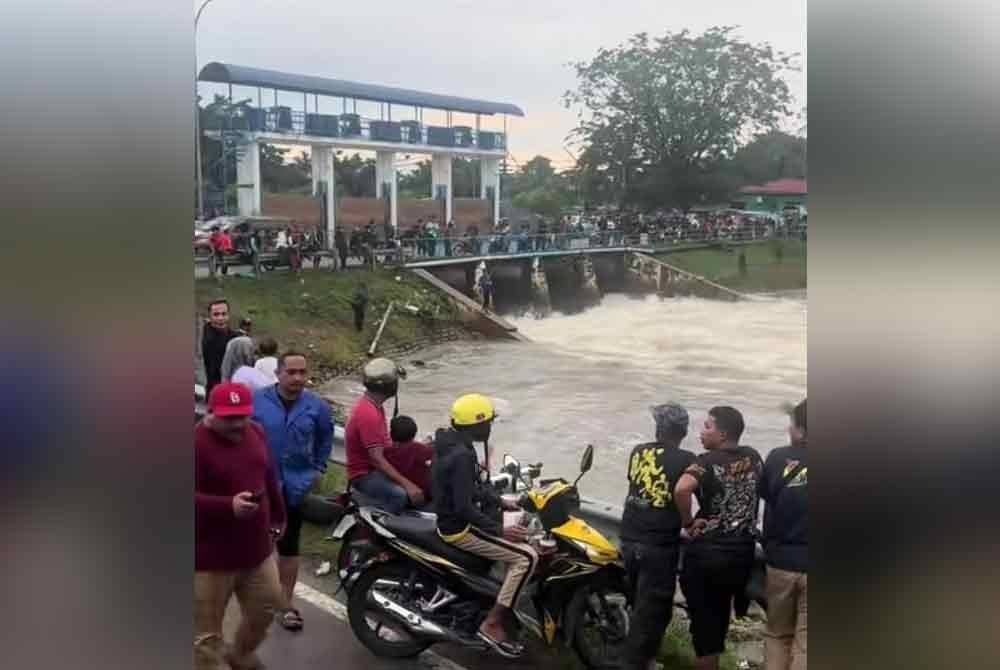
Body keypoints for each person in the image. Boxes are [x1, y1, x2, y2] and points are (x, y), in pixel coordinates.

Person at [433, 393, 536, 658]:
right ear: (476, 425)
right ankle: (492, 623)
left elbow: (470, 490)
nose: (490, 427)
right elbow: (464, 506)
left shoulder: (450, 443)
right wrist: (500, 530)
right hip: (459, 530)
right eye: (487, 422)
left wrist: (500, 501)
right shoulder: (462, 455)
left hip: (450, 519)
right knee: (527, 557)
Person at [195, 382, 285, 670]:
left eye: (242, 416)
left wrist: (279, 516)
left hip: (256, 550)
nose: (237, 424)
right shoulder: (195, 443)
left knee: (268, 607)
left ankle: (241, 654)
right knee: (206, 637)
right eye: (228, 418)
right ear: (211, 413)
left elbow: (267, 475)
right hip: (209, 559)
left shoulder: (255, 432)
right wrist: (227, 506)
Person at [674, 407, 764, 670]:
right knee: (720, 619)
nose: (701, 431)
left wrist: (688, 522)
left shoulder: (705, 462)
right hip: (742, 555)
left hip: (708, 555)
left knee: (705, 629)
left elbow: (681, 488)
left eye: (707, 426)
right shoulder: (754, 456)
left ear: (723, 434)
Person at [252, 352, 334, 632]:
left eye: (303, 372)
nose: (298, 378)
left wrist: (318, 470)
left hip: (295, 486)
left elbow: (325, 439)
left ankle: (285, 604)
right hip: (258, 484)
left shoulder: (317, 407)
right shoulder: (257, 401)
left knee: (289, 544)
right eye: (292, 372)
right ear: (278, 374)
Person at [619, 403, 697, 670]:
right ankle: (635, 664)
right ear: (683, 431)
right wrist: (689, 522)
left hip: (628, 538)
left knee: (641, 606)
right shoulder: (687, 459)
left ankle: (644, 659)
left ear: (658, 428)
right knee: (651, 613)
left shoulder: (638, 451)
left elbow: (635, 482)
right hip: (658, 544)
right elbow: (688, 492)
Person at [760, 399, 808, 670]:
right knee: (807, 642)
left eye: (792, 425)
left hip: (780, 562)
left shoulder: (778, 457)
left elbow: (767, 496)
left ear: (801, 431)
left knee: (778, 635)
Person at [345, 358, 425, 514]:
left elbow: (384, 445)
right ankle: (378, 528)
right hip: (364, 474)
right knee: (400, 496)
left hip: (372, 469)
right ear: (389, 385)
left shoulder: (375, 407)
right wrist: (408, 484)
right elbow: (377, 459)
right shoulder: (369, 414)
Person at [383, 415, 435, 503]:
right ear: (414, 433)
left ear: (391, 435)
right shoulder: (422, 450)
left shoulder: (386, 453)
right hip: (424, 495)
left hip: (404, 492)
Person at [202, 299, 238, 394]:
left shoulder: (211, 329)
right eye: (216, 314)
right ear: (209, 317)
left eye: (224, 314)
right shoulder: (211, 340)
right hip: (219, 392)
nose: (220, 318)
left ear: (229, 315)